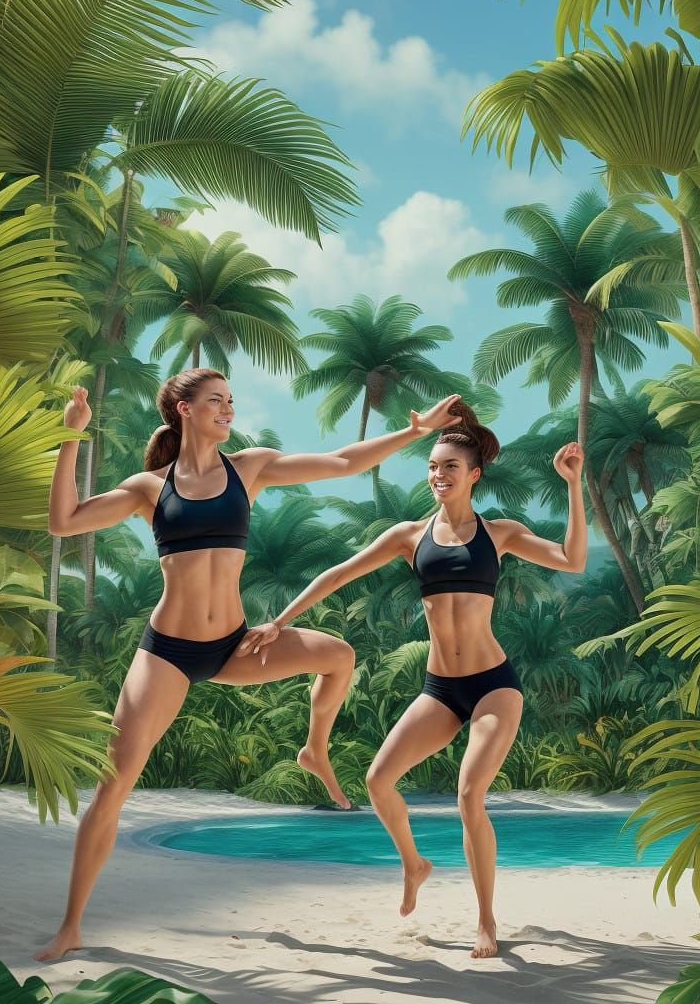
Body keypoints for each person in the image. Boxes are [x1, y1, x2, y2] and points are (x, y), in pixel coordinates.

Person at [36, 368, 466, 961]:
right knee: (114, 788)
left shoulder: (249, 469)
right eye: (216, 400)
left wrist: (414, 432)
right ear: (184, 409)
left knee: (338, 657)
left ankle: (314, 750)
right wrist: (71, 436)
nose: (228, 409)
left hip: (234, 645)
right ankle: (71, 926)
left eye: (231, 401)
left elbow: (343, 462)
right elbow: (63, 521)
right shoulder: (149, 488)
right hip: (169, 652)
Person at [237, 404, 586, 959]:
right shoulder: (408, 536)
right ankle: (414, 863)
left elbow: (571, 559)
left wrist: (572, 485)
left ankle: (486, 921)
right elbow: (338, 574)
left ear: (474, 474)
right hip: (440, 689)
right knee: (378, 781)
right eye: (432, 466)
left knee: (469, 795)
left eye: (450, 466)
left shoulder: (499, 534)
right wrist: (278, 622)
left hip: (493, 685)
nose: (438, 474)